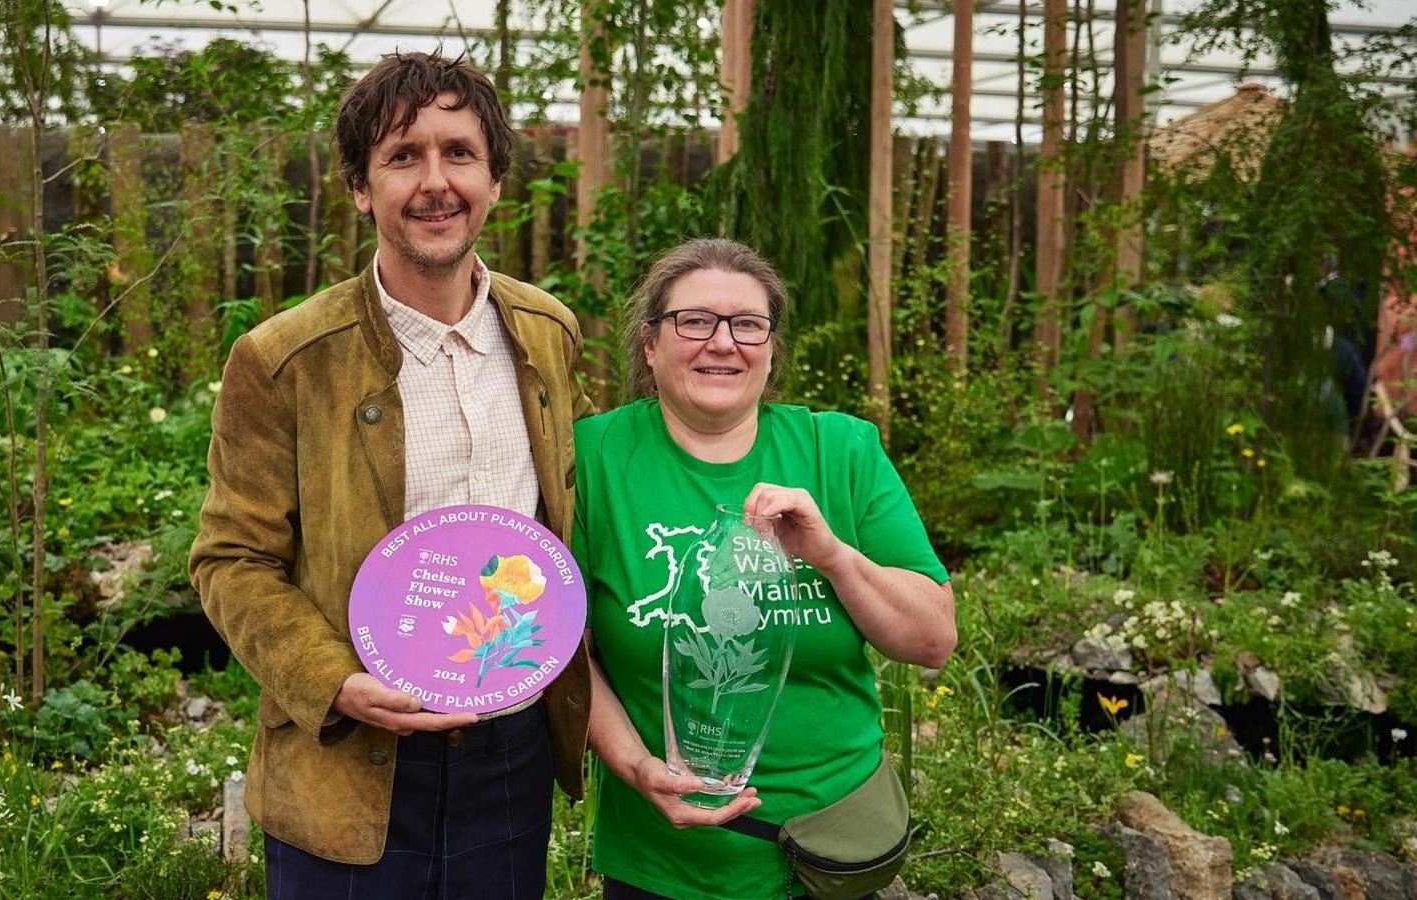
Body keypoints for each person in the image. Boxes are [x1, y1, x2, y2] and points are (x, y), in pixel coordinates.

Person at [189, 50, 593, 899]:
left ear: (494, 180)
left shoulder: (547, 335)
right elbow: (230, 560)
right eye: (403, 156)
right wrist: (334, 682)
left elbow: (574, 516)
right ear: (361, 188)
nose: (434, 181)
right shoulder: (283, 359)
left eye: (459, 153)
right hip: (347, 759)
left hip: (509, 750)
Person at [572, 238, 956, 900]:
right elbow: (561, 649)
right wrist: (635, 766)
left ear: (771, 347)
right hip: (663, 863)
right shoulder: (595, 460)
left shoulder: (839, 450)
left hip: (831, 851)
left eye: (747, 324)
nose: (722, 343)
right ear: (649, 344)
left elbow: (932, 640)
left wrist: (832, 556)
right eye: (694, 321)